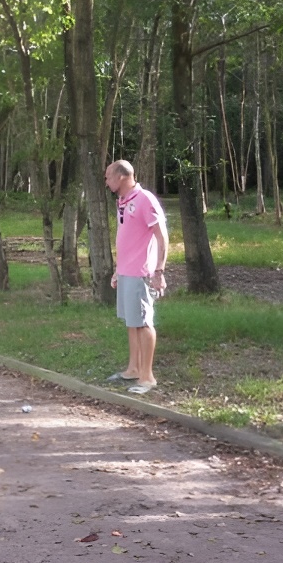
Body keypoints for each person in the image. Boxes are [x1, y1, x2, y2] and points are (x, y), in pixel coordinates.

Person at [104, 159, 169, 395]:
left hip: (142, 273)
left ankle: (147, 377)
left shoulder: (145, 200)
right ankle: (133, 369)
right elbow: (128, 239)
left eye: (108, 176)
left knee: (143, 322)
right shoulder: (123, 201)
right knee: (132, 322)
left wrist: (159, 271)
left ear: (121, 177)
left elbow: (162, 238)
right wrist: (118, 270)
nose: (106, 180)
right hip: (126, 272)